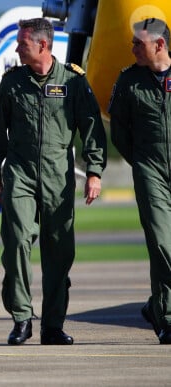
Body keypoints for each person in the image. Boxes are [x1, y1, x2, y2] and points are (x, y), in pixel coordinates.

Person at [0, 17, 107, 346]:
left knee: (59, 252)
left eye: (22, 44)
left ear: (43, 45)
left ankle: (52, 325)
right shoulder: (12, 83)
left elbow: (92, 127)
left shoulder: (73, 82)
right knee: (17, 242)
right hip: (20, 172)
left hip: (58, 176)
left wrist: (94, 171)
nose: (17, 48)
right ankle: (21, 317)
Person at [109, 18, 171, 345]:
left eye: (139, 43)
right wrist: (144, 162)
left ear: (159, 45)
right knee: (162, 244)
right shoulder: (129, 81)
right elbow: (118, 131)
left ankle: (155, 307)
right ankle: (168, 318)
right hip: (150, 171)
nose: (132, 48)